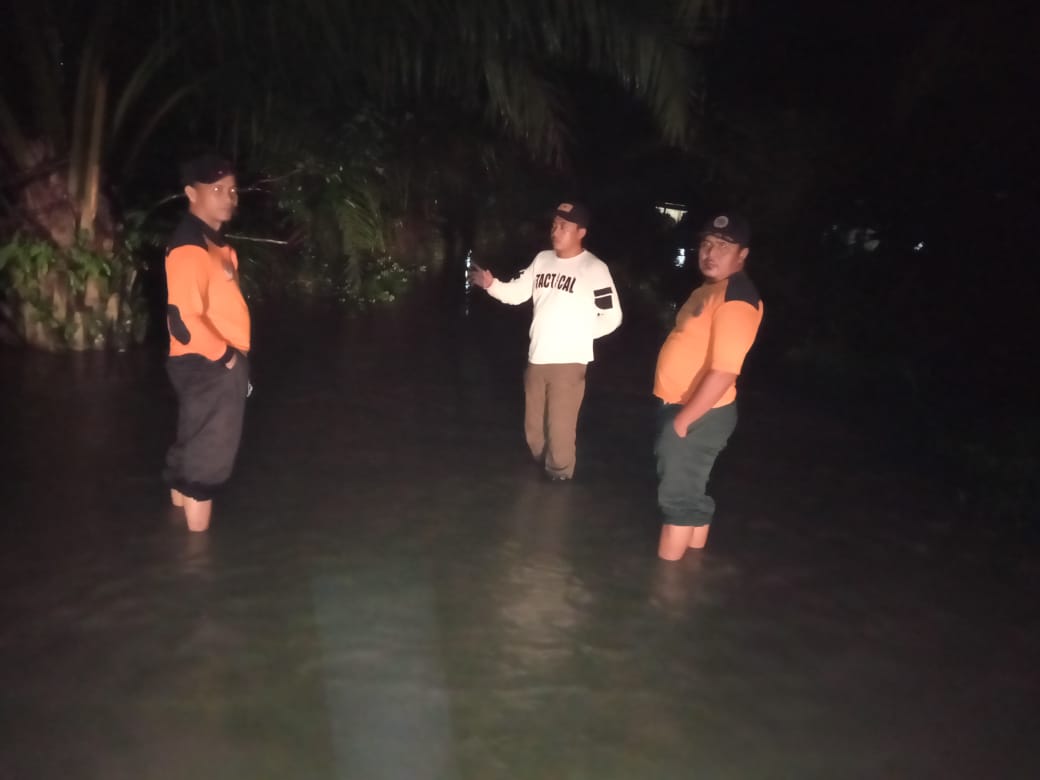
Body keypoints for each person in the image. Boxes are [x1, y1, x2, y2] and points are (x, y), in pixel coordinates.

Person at [469, 202, 622, 480]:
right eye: (554, 225)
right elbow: (517, 293)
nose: (556, 231)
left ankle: (559, 483)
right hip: (537, 358)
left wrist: (579, 336)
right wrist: (492, 285)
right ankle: (543, 480)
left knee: (560, 432)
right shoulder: (542, 260)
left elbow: (612, 317)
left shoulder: (594, 268)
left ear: (581, 232)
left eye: (564, 226)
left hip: (569, 363)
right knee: (534, 432)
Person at [652, 213, 763, 560]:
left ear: (742, 255)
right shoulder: (711, 290)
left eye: (723, 246)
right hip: (690, 409)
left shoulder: (737, 298)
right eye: (706, 244)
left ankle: (665, 589)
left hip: (698, 413)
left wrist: (683, 421)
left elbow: (725, 371)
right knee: (691, 499)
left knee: (677, 504)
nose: (710, 252)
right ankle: (689, 581)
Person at [163, 154, 251, 532]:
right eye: (215, 189)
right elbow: (182, 320)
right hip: (209, 363)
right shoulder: (190, 245)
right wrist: (227, 358)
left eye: (231, 190)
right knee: (209, 459)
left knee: (193, 447)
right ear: (190, 193)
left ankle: (177, 540)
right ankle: (196, 561)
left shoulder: (214, 244)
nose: (227, 197)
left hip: (209, 363)